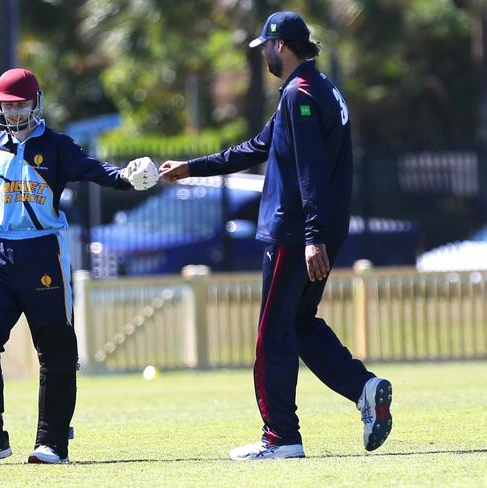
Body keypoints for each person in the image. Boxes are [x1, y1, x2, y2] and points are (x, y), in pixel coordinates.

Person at [159, 11, 392, 461]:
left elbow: (310, 171)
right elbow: (255, 148)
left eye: (264, 47)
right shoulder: (314, 88)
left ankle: (280, 437)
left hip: (294, 234)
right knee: (300, 324)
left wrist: (311, 236)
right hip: (315, 230)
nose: (263, 55)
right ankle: (364, 389)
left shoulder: (300, 95)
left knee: (272, 335)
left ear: (279, 46)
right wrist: (191, 168)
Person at [0, 67, 158, 465]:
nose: (13, 114)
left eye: (21, 105)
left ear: (36, 104)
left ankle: (51, 443)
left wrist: (126, 177)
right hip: (0, 254)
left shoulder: (57, 146)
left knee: (56, 348)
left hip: (42, 253)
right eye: (6, 106)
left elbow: (94, 170)